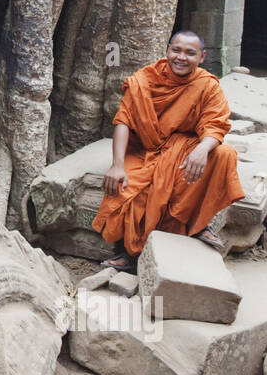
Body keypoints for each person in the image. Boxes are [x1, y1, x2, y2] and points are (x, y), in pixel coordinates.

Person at [91, 30, 245, 270]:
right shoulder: (144, 80)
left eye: (190, 53)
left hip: (186, 146)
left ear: (202, 57)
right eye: (176, 50)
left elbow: (216, 123)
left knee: (224, 155)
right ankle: (132, 254)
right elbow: (124, 121)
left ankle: (196, 224)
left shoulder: (206, 85)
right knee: (133, 190)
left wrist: (202, 149)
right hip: (145, 150)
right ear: (167, 50)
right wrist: (117, 164)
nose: (181, 57)